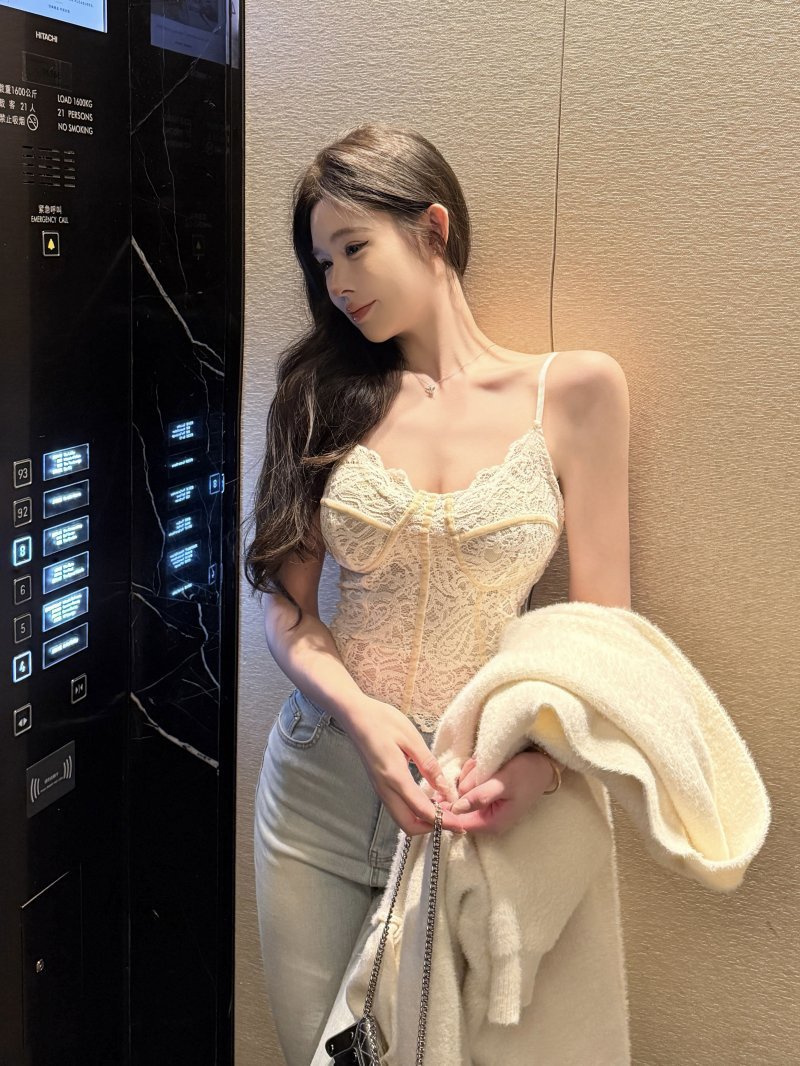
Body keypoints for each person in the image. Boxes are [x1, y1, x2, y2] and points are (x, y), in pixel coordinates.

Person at [244, 121, 631, 1065]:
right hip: (321, 790)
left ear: (433, 227)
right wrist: (362, 718)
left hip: (479, 801)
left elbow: (601, 634)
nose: (338, 283)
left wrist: (538, 768)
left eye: (353, 247)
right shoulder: (316, 395)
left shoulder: (575, 393)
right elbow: (286, 609)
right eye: (321, 263)